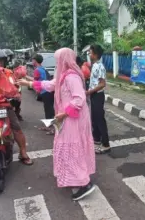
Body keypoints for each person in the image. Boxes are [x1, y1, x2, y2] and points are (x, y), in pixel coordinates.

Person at [18, 48, 96, 201]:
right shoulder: (63, 75)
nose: (57, 63)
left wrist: (64, 113)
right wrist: (28, 82)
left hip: (72, 117)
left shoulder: (72, 76)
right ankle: (73, 177)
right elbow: (50, 85)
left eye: (58, 60)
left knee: (72, 146)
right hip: (66, 117)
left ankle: (83, 183)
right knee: (67, 146)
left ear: (65, 60)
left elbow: (79, 99)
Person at [86, 44, 110, 154]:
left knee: (100, 119)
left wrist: (89, 92)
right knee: (94, 118)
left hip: (98, 95)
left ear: (95, 54)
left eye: (90, 52)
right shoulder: (94, 65)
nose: (89, 54)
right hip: (94, 95)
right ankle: (96, 139)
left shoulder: (100, 66)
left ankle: (106, 144)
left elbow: (102, 84)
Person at [26, 54, 55, 134]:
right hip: (49, 91)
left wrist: (25, 77)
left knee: (49, 111)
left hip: (45, 92)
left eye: (33, 60)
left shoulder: (37, 70)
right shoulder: (42, 68)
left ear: (35, 61)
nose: (32, 61)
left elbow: (35, 82)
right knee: (49, 109)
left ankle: (52, 129)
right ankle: (49, 126)